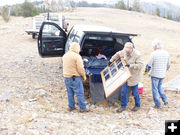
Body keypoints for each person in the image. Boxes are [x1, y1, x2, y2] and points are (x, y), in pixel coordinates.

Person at [109, 42, 144, 112]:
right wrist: (111, 60)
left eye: (128, 51)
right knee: (123, 91)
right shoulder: (124, 51)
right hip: (125, 75)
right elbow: (117, 54)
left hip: (134, 76)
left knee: (135, 92)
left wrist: (130, 65)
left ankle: (137, 105)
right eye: (126, 51)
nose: (127, 52)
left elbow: (140, 65)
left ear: (132, 49)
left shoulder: (137, 55)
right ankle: (123, 106)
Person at [63, 42, 89, 112]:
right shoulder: (77, 56)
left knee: (70, 92)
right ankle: (83, 108)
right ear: (77, 48)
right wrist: (84, 76)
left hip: (66, 77)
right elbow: (80, 68)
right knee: (79, 93)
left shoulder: (65, 55)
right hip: (75, 78)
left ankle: (71, 106)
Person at [144, 40, 170, 108]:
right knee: (159, 87)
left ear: (155, 46)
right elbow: (168, 65)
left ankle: (158, 104)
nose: (153, 47)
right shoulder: (166, 53)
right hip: (162, 74)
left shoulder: (154, 53)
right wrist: (165, 71)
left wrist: (145, 72)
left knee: (155, 89)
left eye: (153, 46)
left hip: (155, 74)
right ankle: (165, 100)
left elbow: (149, 64)